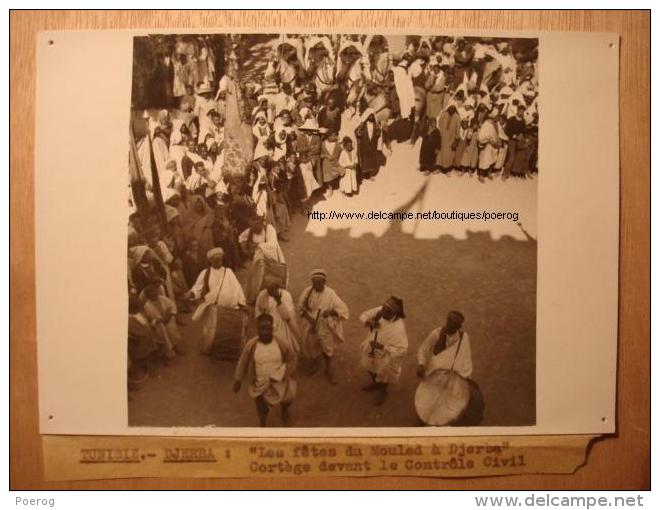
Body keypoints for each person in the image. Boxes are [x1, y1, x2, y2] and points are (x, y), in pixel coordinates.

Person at [234, 313, 298, 427]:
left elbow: (292, 358)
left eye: (267, 329)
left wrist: (286, 372)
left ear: (272, 328)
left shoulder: (281, 342)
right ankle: (263, 423)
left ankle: (284, 410)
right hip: (259, 383)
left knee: (286, 399)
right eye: (261, 329)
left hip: (279, 382)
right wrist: (237, 380)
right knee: (261, 407)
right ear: (258, 329)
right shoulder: (252, 344)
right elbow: (243, 361)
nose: (264, 332)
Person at [189, 248, 246, 354]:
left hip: (228, 307)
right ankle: (211, 348)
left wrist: (241, 302)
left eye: (220, 260)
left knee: (228, 329)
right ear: (210, 261)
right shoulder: (205, 273)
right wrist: (192, 293)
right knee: (210, 330)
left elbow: (237, 287)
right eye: (215, 260)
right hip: (213, 307)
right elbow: (198, 287)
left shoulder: (228, 272)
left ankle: (227, 348)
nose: (218, 262)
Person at [297, 269, 349, 384]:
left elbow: (344, 310)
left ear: (324, 283)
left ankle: (328, 368)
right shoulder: (308, 291)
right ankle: (316, 361)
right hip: (311, 324)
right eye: (314, 283)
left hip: (325, 326)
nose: (316, 285)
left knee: (327, 347)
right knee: (312, 344)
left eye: (319, 283)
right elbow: (300, 307)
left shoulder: (331, 294)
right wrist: (310, 319)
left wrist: (331, 312)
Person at [359, 296, 408, 406]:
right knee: (368, 366)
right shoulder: (381, 311)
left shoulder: (398, 328)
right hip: (370, 348)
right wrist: (369, 321)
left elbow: (402, 350)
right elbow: (364, 315)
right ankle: (375, 382)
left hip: (384, 356)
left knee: (384, 375)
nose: (382, 311)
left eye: (386, 310)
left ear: (394, 313)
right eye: (383, 308)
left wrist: (382, 347)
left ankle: (383, 391)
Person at [416, 310, 472, 379]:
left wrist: (466, 376)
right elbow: (423, 349)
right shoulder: (437, 333)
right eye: (449, 321)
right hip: (435, 373)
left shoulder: (463, 337)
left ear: (458, 326)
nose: (449, 324)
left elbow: (466, 358)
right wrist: (421, 364)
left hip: (454, 375)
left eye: (453, 323)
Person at [255, 274, 301, 354]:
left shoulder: (286, 295)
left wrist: (279, 302)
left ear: (277, 287)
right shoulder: (262, 295)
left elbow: (288, 317)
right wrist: (262, 321)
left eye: (272, 288)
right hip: (267, 328)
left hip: (282, 328)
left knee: (283, 349)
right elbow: (258, 311)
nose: (269, 290)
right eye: (268, 287)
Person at [142, 280, 184, 359]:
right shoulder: (147, 306)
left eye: (155, 292)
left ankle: (176, 348)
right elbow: (148, 318)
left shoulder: (162, 298)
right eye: (152, 294)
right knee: (163, 340)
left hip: (168, 320)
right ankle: (166, 355)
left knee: (173, 335)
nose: (155, 294)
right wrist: (158, 321)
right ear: (149, 296)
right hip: (159, 325)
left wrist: (169, 315)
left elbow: (171, 305)